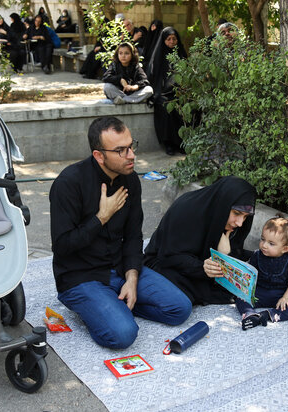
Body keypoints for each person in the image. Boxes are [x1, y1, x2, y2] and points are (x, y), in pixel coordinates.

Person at [49, 117, 192, 349]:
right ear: (99, 155)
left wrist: (132, 278)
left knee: (179, 309)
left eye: (131, 146)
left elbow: (134, 235)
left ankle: (115, 306)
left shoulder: (130, 180)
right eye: (121, 150)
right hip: (82, 277)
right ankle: (99, 311)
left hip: (119, 267)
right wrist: (101, 218)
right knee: (123, 335)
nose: (131, 155)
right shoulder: (69, 183)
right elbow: (62, 246)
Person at [144, 176, 257, 306]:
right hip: (165, 261)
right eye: (236, 213)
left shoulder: (231, 222)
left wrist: (226, 254)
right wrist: (203, 268)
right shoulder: (186, 209)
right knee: (186, 294)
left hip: (202, 264)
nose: (240, 223)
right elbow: (168, 256)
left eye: (246, 216)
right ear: (223, 204)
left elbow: (235, 252)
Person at [237, 216, 288, 330]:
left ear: (285, 249)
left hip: (279, 294)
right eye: (263, 239)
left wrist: (286, 298)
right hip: (259, 292)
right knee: (240, 297)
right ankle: (249, 314)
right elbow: (250, 273)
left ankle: (268, 315)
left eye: (271, 243)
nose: (264, 245)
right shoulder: (257, 255)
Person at [146, 27, 188, 155]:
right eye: (168, 39)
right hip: (162, 92)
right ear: (163, 40)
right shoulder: (159, 56)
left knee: (185, 106)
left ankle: (182, 143)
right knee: (165, 107)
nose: (172, 42)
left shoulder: (181, 54)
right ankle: (169, 143)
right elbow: (153, 77)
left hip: (180, 91)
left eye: (174, 39)